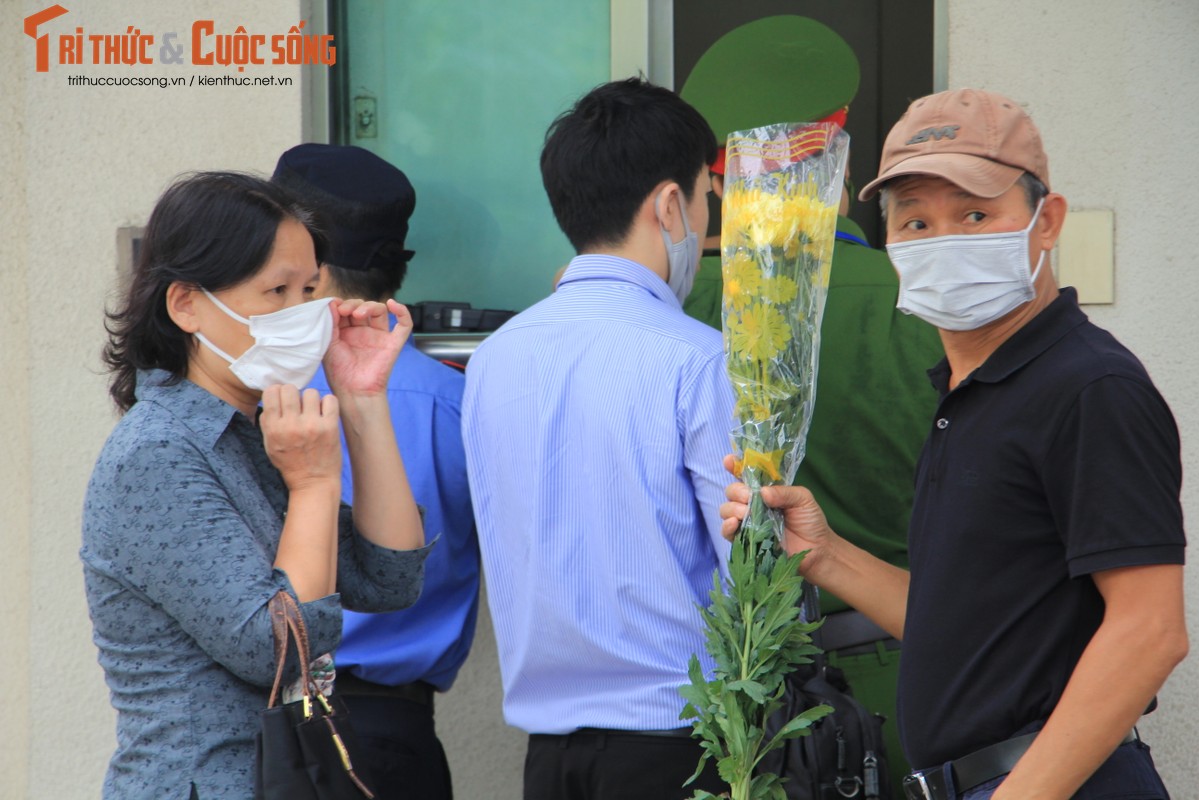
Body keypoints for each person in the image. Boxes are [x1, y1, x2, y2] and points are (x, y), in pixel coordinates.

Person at [719, 88, 1188, 800]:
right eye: (916, 221)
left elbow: (1149, 631)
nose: (944, 241)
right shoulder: (968, 394)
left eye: (975, 214)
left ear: (1045, 221)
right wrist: (823, 555)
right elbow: (962, 626)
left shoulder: (1088, 387)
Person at [82, 171, 430, 800]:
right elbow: (277, 652)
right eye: (276, 290)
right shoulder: (158, 450)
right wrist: (316, 484)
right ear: (186, 303)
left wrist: (361, 397)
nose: (300, 314)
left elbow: (390, 577)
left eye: (309, 290)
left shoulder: (254, 428)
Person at [678, 17, 944, 788]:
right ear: (841, 145)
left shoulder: (682, 311)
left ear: (718, 174)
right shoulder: (932, 301)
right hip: (926, 673)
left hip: (750, 706)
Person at [462, 77, 734, 800]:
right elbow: (751, 572)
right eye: (707, 198)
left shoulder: (492, 359)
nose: (707, 225)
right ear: (670, 204)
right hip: (680, 747)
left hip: (548, 756)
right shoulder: (698, 357)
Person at [272, 143, 480, 800]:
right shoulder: (460, 405)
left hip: (281, 727)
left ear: (309, 261)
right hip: (400, 737)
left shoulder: (255, 393)